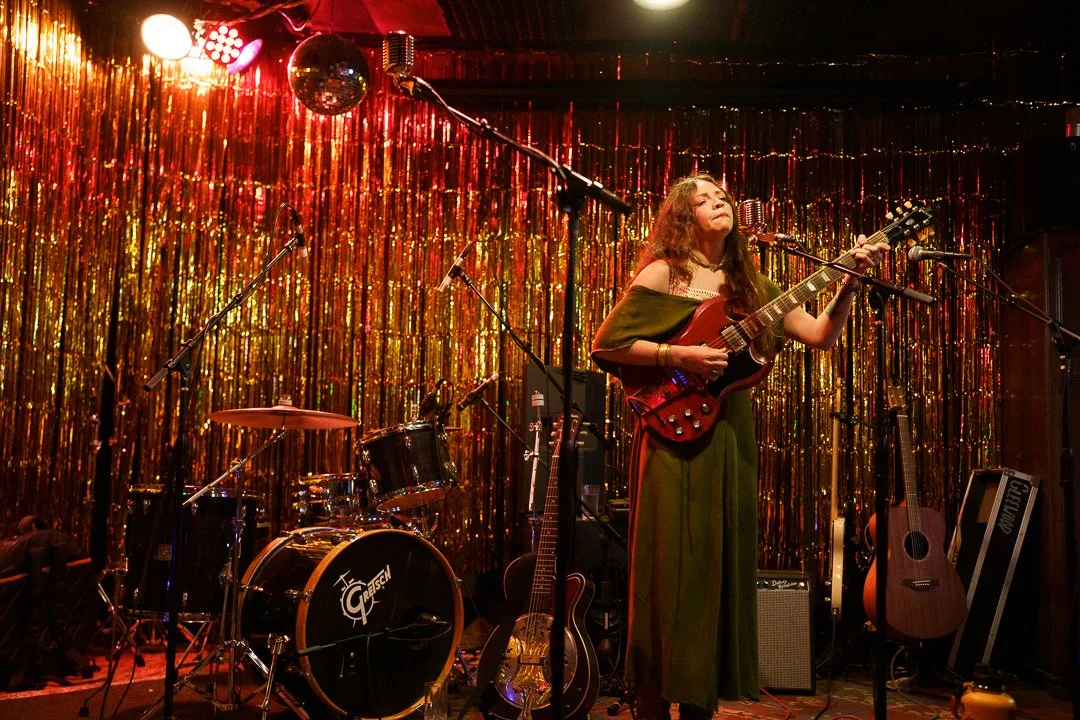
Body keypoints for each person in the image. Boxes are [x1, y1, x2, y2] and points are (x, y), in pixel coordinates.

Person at [590, 174, 887, 719]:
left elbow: (820, 335)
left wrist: (849, 283)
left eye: (721, 196)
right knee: (669, 566)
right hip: (671, 435)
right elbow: (607, 344)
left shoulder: (753, 285)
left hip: (729, 433)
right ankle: (652, 698)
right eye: (702, 198)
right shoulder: (664, 273)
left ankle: (701, 699)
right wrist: (677, 356)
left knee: (718, 564)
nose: (717, 202)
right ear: (683, 217)